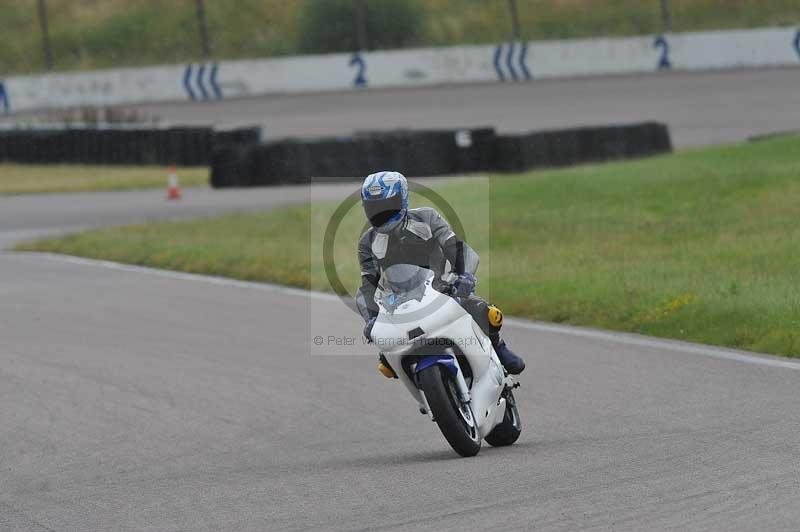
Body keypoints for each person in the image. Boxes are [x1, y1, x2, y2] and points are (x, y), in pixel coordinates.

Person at [355, 171, 525, 375]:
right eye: (374, 208)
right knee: (386, 361)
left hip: (444, 289)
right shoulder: (367, 242)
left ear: (403, 199)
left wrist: (465, 277)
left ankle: (498, 346)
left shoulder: (426, 217)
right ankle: (425, 396)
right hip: (402, 304)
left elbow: (457, 249)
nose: (381, 213)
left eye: (387, 205)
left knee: (484, 312)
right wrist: (371, 320)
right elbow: (367, 285)